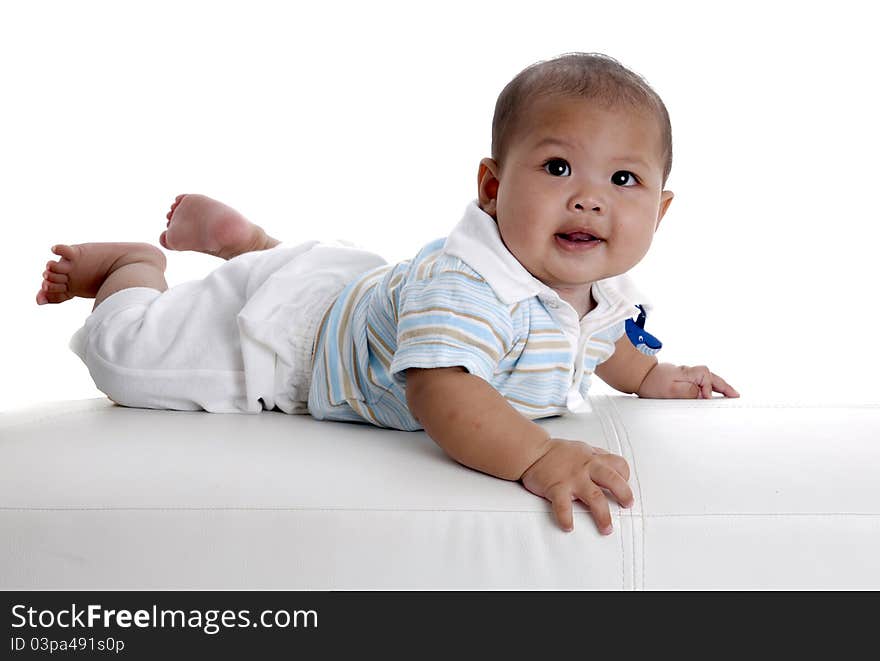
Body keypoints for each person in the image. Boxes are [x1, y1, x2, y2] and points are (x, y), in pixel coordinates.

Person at [36, 52, 738, 535]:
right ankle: (132, 269)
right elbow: (444, 393)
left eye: (624, 180)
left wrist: (653, 375)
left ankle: (256, 246)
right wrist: (540, 456)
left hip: (355, 290)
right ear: (492, 188)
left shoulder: (597, 280)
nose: (589, 200)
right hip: (294, 342)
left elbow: (599, 336)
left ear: (661, 209)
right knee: (123, 360)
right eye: (559, 167)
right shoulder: (470, 289)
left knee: (316, 283)